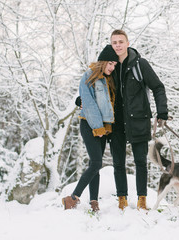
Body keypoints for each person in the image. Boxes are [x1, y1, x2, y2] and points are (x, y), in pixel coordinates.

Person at [109, 29, 168, 211]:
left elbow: (158, 87)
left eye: (121, 41)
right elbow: (93, 85)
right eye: (114, 42)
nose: (118, 45)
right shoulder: (108, 65)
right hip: (115, 122)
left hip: (138, 120)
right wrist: (81, 100)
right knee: (118, 163)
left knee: (140, 162)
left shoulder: (139, 64)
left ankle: (142, 200)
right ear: (111, 45)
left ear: (127, 43)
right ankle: (122, 200)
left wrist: (162, 111)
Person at [62, 45, 118, 212]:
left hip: (104, 127)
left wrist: (105, 127)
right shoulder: (89, 76)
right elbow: (89, 103)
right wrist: (98, 127)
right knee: (96, 163)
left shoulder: (109, 79)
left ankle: (94, 202)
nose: (112, 67)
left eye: (114, 65)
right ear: (103, 62)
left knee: (96, 165)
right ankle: (72, 198)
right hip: (90, 124)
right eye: (110, 64)